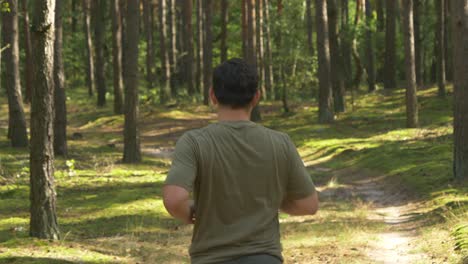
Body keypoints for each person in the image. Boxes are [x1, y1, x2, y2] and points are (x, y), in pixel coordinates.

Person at [163, 58, 318, 264]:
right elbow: (308, 205)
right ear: (256, 97)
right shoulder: (281, 143)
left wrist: (191, 213)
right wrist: (271, 201)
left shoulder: (193, 142)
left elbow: (174, 199)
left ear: (212, 95)